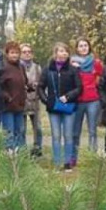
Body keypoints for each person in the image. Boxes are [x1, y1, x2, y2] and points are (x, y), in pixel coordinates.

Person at [38, 42, 82, 172]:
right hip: (53, 108)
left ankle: (67, 163)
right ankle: (57, 163)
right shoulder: (47, 69)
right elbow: (40, 87)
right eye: (61, 51)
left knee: (68, 135)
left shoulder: (73, 69)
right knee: (56, 135)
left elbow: (79, 88)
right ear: (55, 53)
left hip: (69, 107)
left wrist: (68, 96)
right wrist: (46, 101)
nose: (64, 54)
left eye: (66, 51)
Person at [70, 38, 103, 167]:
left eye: (85, 45)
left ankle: (92, 156)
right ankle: (73, 157)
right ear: (77, 49)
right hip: (78, 100)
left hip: (93, 100)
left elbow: (101, 79)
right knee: (75, 131)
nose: (83, 48)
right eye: (80, 46)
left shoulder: (96, 62)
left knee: (92, 131)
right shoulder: (72, 62)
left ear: (89, 47)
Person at [0, 41, 28, 152]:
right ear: (7, 54)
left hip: (20, 105)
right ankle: (10, 155)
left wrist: (29, 86)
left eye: (16, 53)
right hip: (8, 106)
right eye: (12, 53)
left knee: (19, 131)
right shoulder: (4, 67)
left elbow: (24, 81)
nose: (14, 55)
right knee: (9, 132)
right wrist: (7, 97)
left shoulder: (21, 66)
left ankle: (20, 154)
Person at [20, 43, 43, 157]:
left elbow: (42, 83)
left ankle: (37, 148)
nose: (27, 54)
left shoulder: (37, 67)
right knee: (22, 128)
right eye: (24, 52)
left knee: (37, 128)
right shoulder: (18, 67)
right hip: (21, 102)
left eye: (29, 51)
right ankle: (22, 149)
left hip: (34, 101)